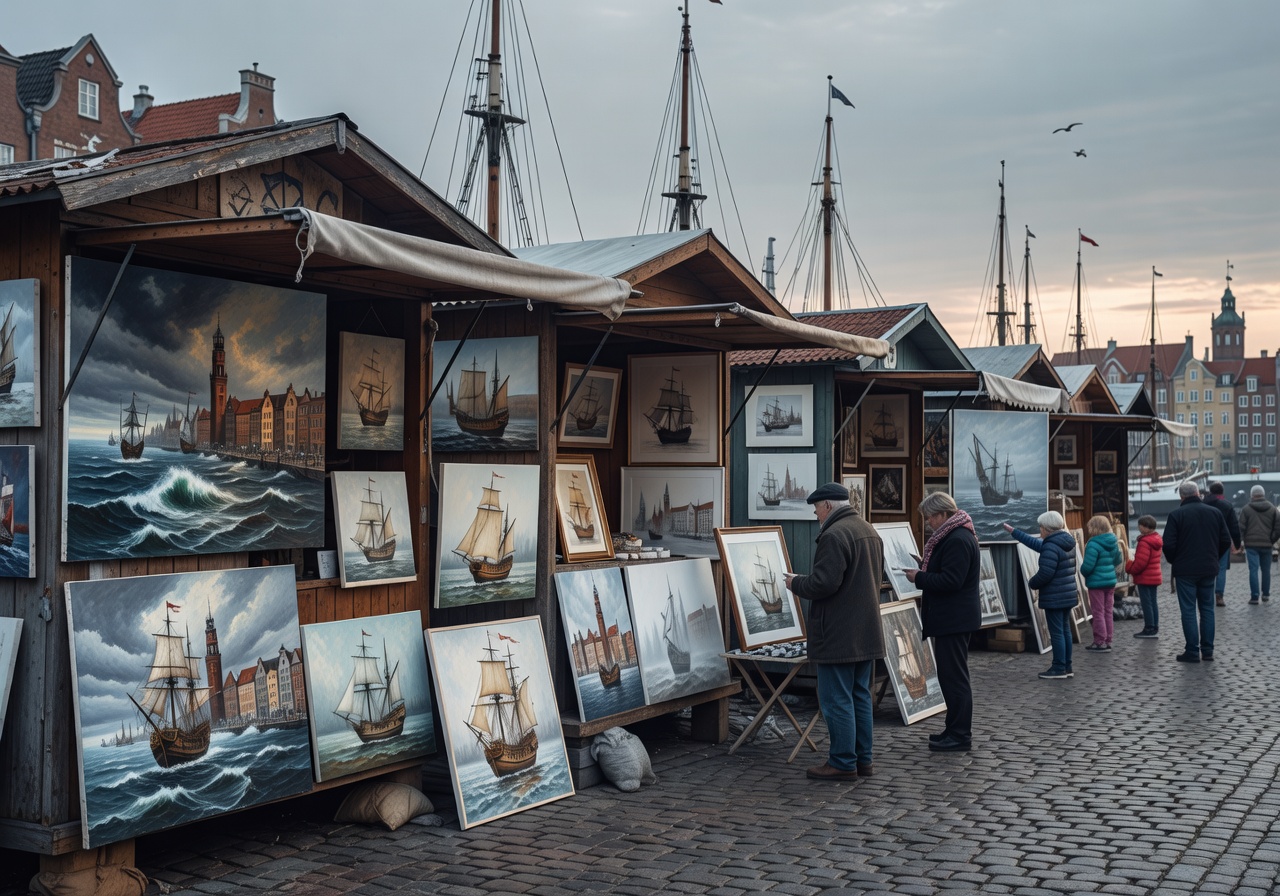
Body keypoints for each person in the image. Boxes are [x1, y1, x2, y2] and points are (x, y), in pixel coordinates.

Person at [783, 482, 885, 782]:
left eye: (816, 509)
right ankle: (862, 761)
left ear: (827, 506)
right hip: (865, 631)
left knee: (836, 699)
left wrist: (796, 583)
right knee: (859, 696)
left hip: (838, 633)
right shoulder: (868, 530)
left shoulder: (834, 535)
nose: (816, 515)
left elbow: (824, 584)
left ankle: (842, 762)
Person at [903, 492, 979, 753]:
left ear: (944, 514)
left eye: (930, 517)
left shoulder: (957, 539)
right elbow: (949, 573)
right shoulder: (955, 535)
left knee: (954, 678)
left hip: (954, 619)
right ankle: (954, 728)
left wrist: (920, 577)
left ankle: (960, 735)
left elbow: (951, 581)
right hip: (952, 618)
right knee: (950, 676)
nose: (928, 523)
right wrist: (926, 568)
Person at [1162, 480, 1231, 663]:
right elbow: (1225, 540)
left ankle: (1192, 651)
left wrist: (1174, 559)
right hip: (1208, 568)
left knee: (1189, 610)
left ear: (1182, 496)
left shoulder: (1176, 515)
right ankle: (1208, 651)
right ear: (1198, 493)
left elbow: (1168, 544)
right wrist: (1213, 557)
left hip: (1185, 570)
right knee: (1208, 609)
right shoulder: (1215, 513)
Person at [1003, 512, 1078, 679]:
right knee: (1065, 630)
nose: (1040, 530)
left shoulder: (1051, 546)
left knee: (1057, 632)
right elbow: (1037, 544)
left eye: (1041, 527)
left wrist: (1031, 583)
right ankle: (1067, 666)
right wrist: (1015, 532)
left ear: (1047, 529)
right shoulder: (1066, 542)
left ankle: (1058, 668)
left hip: (1055, 596)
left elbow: (1045, 573)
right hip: (1067, 594)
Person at [1079, 514, 1122, 651]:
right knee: (1108, 611)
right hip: (1110, 582)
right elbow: (1117, 561)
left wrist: (1082, 569)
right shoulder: (1113, 541)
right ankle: (1108, 640)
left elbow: (1087, 567)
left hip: (1096, 583)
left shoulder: (1093, 543)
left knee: (1098, 612)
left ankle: (1099, 641)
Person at [1238, 485, 1280, 605]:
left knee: (1253, 570)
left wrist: (1241, 542)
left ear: (1252, 495)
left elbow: (1241, 527)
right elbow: (1278, 528)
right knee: (1266, 570)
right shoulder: (1273, 509)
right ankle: (1266, 594)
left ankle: (1255, 597)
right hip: (1267, 545)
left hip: (1251, 545)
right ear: (1263, 494)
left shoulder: (1246, 509)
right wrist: (1271, 540)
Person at [1204, 481, 1243, 606]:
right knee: (1221, 569)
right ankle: (1219, 596)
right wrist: (1237, 543)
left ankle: (1207, 594)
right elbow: (1234, 526)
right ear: (1222, 492)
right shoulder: (1227, 505)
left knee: (1207, 568)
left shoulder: (1203, 504)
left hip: (1206, 541)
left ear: (1210, 492)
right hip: (1223, 541)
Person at [1127, 515, 1164, 638]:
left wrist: (1129, 567)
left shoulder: (1144, 542)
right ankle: (1154, 626)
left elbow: (1140, 563)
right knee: (1152, 602)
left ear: (1145, 527)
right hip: (1154, 576)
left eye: (1140, 525)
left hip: (1145, 577)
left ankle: (1149, 628)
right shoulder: (1156, 539)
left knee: (1146, 603)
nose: (1138, 527)